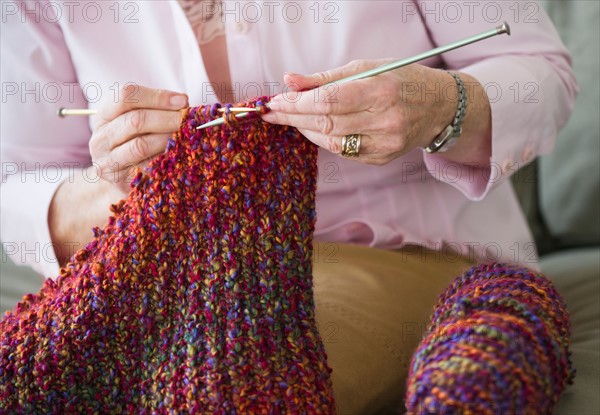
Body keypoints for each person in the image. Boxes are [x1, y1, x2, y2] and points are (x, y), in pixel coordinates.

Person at [1, 1, 577, 412]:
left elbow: (540, 76)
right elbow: (17, 186)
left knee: (230, 380)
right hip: (165, 271)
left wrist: (439, 107)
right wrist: (126, 198)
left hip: (403, 255)